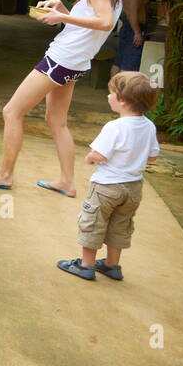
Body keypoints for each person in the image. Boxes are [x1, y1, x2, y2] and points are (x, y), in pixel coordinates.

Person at [0, 0, 124, 198]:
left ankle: (4, 175)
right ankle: (67, 182)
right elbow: (92, 22)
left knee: (11, 111)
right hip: (75, 62)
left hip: (61, 59)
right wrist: (63, 8)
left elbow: (104, 22)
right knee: (56, 122)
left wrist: (62, 18)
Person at [57, 71, 160, 280]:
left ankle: (86, 265)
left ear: (122, 101)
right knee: (120, 225)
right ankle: (112, 265)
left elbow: (99, 155)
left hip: (107, 187)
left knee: (94, 222)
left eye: (111, 93)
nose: (108, 97)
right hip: (133, 188)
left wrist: (89, 158)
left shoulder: (115, 127)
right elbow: (152, 158)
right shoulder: (149, 126)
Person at [113, 0, 170, 75]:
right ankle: (122, 91)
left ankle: (115, 90)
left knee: (119, 62)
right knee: (129, 65)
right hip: (133, 29)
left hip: (129, 27)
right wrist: (137, 32)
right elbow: (132, 12)